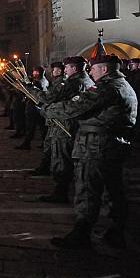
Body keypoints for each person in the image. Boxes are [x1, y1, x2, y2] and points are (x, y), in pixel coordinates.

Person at [47, 48, 137, 250]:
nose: (91, 72)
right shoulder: (122, 85)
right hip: (113, 145)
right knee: (113, 190)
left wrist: (48, 110)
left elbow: (76, 107)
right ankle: (116, 231)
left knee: (88, 189)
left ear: (104, 69)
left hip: (97, 146)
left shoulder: (108, 87)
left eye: (94, 69)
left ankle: (81, 233)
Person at [34, 57, 93, 203]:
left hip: (66, 126)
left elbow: (53, 99)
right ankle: (64, 189)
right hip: (72, 126)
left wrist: (47, 109)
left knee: (62, 160)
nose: (64, 70)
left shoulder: (75, 83)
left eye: (66, 68)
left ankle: (61, 192)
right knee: (66, 159)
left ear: (74, 68)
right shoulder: (85, 81)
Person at [16, 66, 49, 150]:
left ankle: (44, 144)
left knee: (40, 127)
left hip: (37, 107)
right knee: (32, 126)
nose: (35, 74)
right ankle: (28, 143)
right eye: (34, 72)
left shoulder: (42, 81)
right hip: (33, 106)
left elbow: (39, 93)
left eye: (37, 72)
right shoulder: (36, 81)